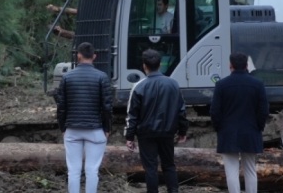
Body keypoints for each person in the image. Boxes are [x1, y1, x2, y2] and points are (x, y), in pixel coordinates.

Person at [125, 49, 188, 193]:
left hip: (146, 133)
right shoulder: (173, 84)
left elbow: (132, 114)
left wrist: (129, 136)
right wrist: (183, 131)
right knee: (169, 165)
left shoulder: (138, 86)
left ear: (144, 66)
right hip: (167, 132)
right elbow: (181, 111)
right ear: (160, 64)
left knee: (150, 168)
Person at [55, 42, 113, 193]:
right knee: (92, 170)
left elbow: (61, 106)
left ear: (78, 56)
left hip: (72, 129)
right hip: (95, 129)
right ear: (94, 56)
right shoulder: (102, 77)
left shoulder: (67, 77)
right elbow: (107, 107)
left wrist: (63, 127)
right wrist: (107, 128)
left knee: (73, 171)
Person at [210, 52, 269, 193]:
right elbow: (263, 110)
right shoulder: (258, 84)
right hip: (251, 131)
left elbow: (215, 111)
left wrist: (219, 128)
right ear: (246, 66)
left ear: (231, 65)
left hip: (228, 132)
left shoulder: (221, 85)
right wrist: (258, 127)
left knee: (231, 171)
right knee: (250, 170)